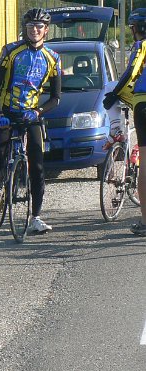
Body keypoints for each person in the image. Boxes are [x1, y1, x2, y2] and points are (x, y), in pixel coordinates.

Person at [0, 8, 61, 238]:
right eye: (31, 26)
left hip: (31, 115)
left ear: (46, 30)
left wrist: (38, 111)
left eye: (39, 26)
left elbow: (56, 98)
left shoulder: (53, 57)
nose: (35, 30)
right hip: (6, 113)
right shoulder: (10, 51)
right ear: (25, 28)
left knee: (37, 166)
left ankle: (36, 217)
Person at [103, 8, 146, 236]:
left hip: (143, 101)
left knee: (145, 164)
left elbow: (131, 71)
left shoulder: (141, 45)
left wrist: (115, 93)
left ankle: (115, 130)